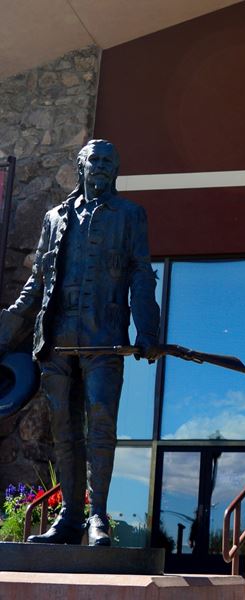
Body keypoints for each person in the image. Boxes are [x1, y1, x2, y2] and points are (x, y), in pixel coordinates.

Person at [0, 139, 160, 546]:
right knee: (64, 430)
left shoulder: (130, 216)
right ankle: (70, 517)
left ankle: (98, 517)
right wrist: (11, 321)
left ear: (116, 170)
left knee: (101, 424)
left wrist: (148, 330)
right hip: (55, 338)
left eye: (110, 161)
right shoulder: (55, 217)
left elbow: (142, 273)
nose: (103, 166)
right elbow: (38, 279)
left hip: (103, 337)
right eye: (96, 160)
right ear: (81, 166)